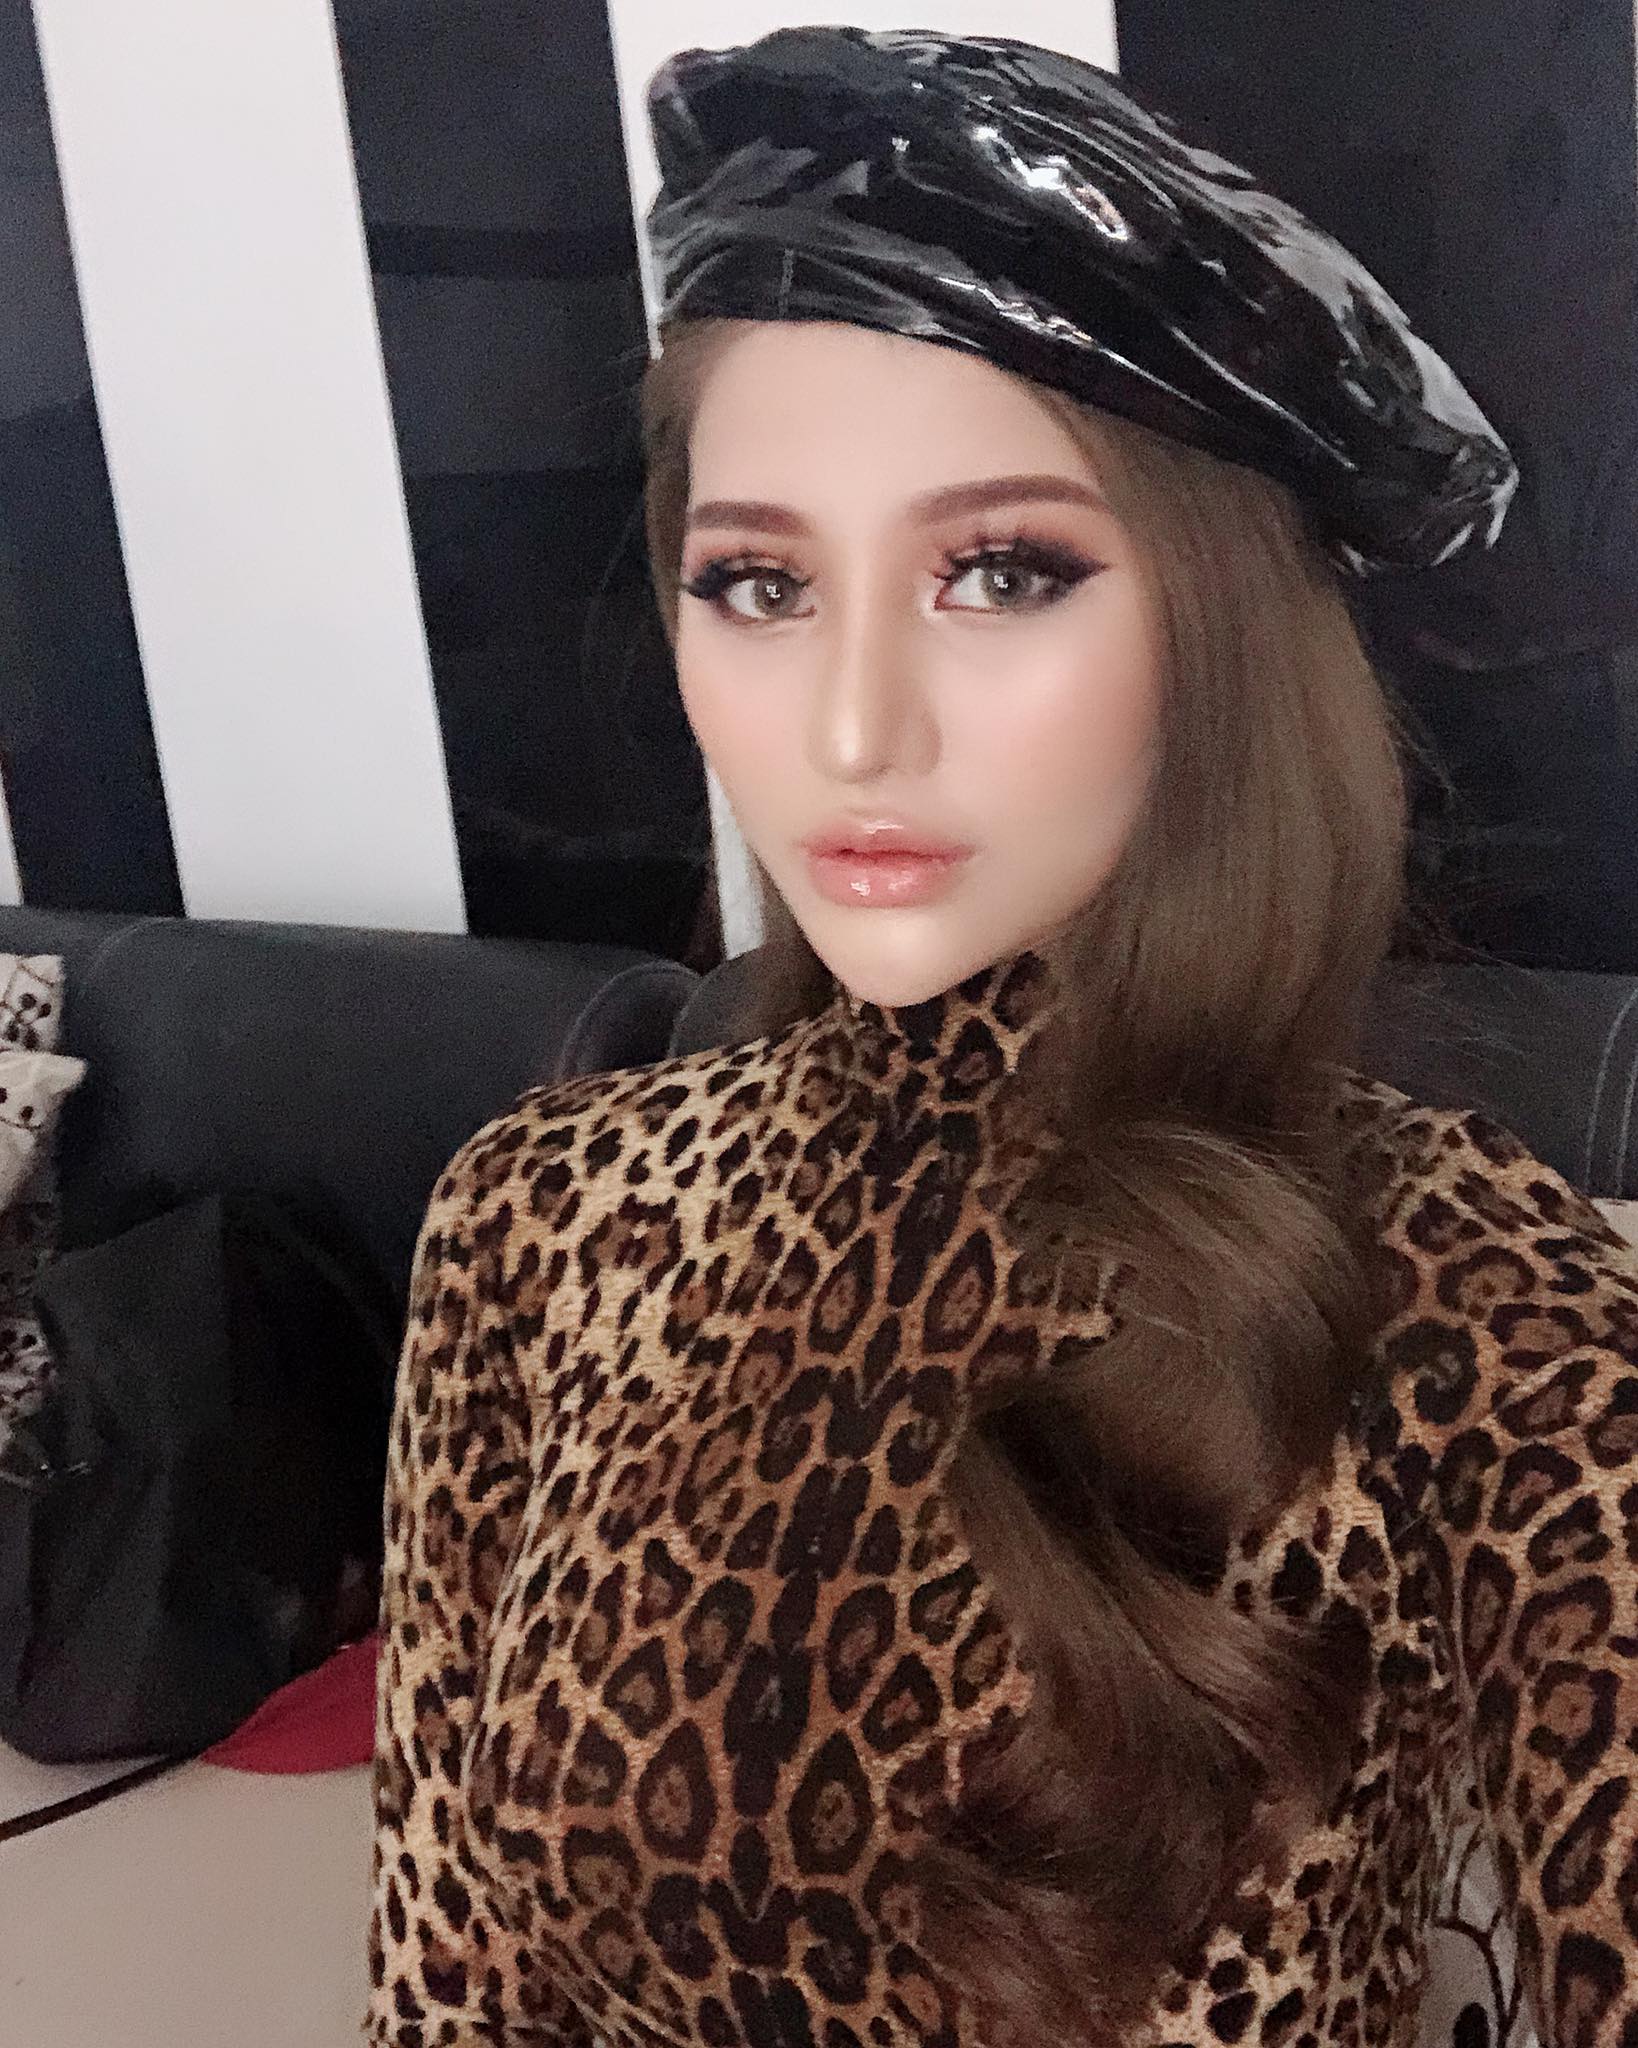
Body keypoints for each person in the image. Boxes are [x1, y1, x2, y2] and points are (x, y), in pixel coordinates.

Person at [364, 28, 1638, 2048]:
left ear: (1213, 632)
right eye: (758, 582)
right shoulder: (540, 1218)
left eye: (999, 570)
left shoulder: (1457, 1285)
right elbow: (451, 1988)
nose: (853, 725)